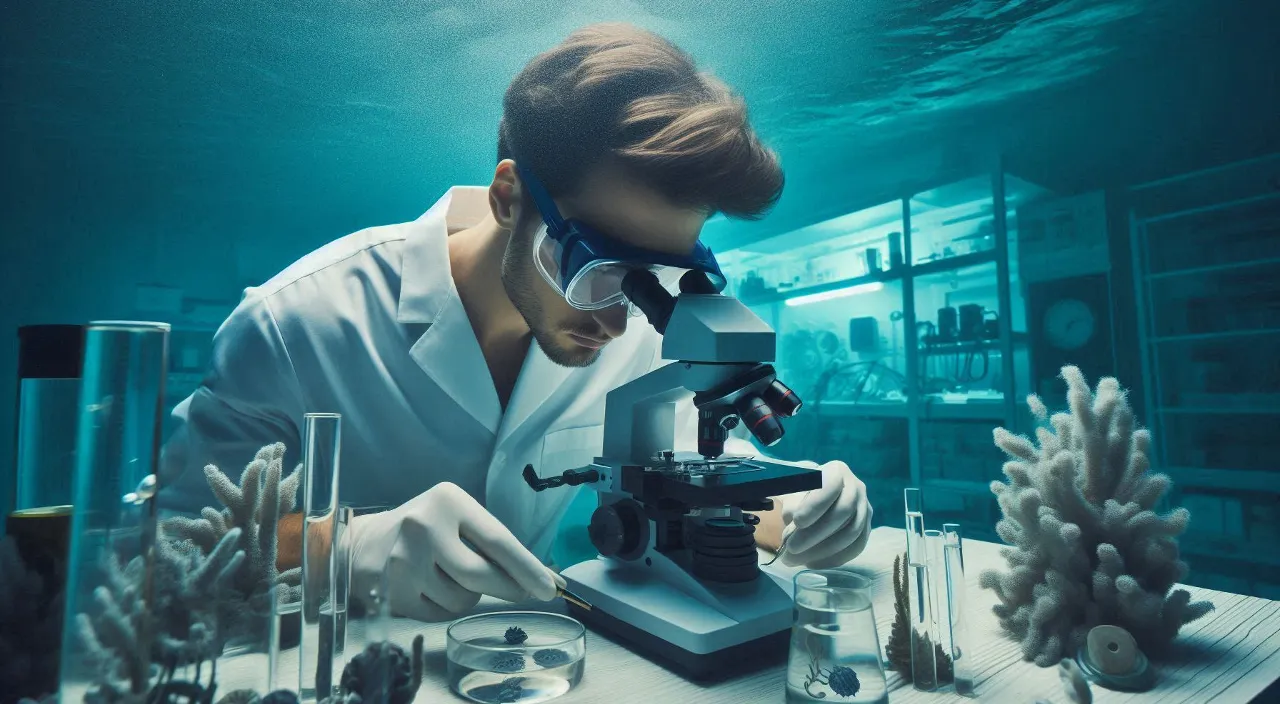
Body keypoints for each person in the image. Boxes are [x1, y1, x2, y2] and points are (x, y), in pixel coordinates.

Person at [158, 23, 872, 623]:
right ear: (509, 196)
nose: (620, 321)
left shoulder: (645, 332)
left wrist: (800, 515)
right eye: (599, 270)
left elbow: (691, 486)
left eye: (652, 279)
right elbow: (164, 545)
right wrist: (344, 547)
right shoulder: (297, 322)